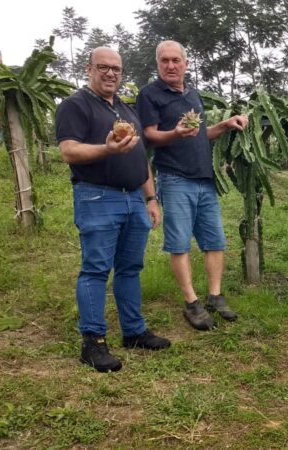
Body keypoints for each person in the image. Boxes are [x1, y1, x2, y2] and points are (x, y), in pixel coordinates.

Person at [56, 47, 171, 373]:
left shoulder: (124, 109)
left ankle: (133, 332)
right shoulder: (75, 105)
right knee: (95, 269)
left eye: (116, 69)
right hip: (97, 197)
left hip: (134, 198)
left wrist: (150, 199)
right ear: (88, 68)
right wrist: (106, 149)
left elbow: (142, 160)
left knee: (130, 268)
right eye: (103, 67)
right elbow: (69, 150)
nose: (110, 73)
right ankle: (92, 343)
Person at [136, 40, 248, 331]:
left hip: (204, 179)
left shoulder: (192, 94)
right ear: (158, 64)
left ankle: (214, 296)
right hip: (174, 178)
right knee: (180, 242)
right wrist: (174, 132)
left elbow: (199, 135)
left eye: (176, 60)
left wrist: (225, 125)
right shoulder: (149, 94)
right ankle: (191, 302)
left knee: (215, 241)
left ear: (186, 63)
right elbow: (149, 136)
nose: (171, 65)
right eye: (165, 61)